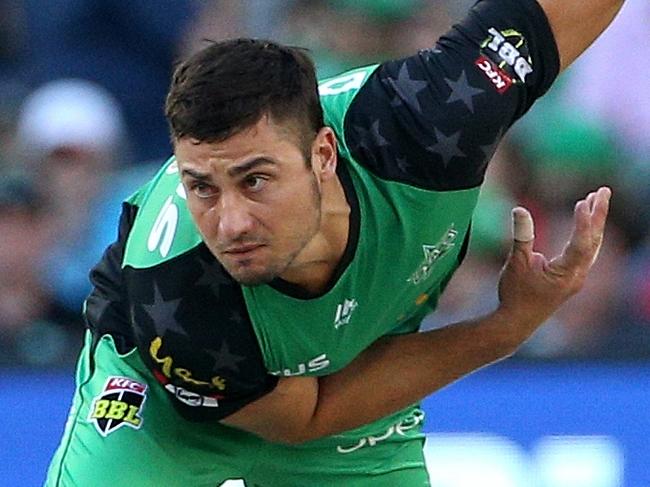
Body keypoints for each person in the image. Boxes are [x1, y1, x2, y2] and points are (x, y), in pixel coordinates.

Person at [45, 0, 619, 485]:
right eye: (201, 187)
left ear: (323, 154)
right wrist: (506, 327)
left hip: (350, 386)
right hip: (163, 409)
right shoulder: (175, 287)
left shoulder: (428, 123)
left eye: (255, 180)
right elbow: (306, 417)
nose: (230, 223)